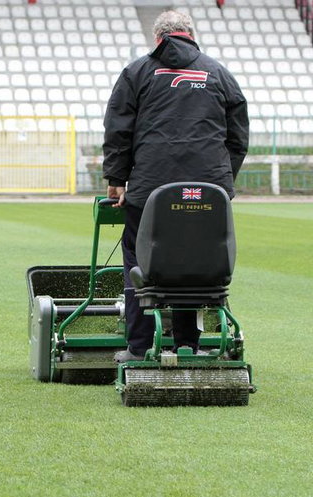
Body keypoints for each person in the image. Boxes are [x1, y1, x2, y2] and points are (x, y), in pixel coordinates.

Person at [102, 10, 249, 362]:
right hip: (206, 191)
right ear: (191, 35)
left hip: (150, 188)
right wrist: (220, 181)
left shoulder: (137, 72)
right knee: (195, 258)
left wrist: (117, 179)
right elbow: (238, 137)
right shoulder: (218, 74)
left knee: (138, 257)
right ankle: (188, 343)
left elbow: (118, 128)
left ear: (158, 39)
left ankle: (138, 347)